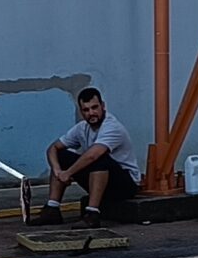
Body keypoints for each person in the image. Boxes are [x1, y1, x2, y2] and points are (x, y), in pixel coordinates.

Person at [42, 86, 135, 226]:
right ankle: (52, 209)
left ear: (103, 106)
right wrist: (57, 170)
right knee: (61, 156)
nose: (91, 113)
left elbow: (93, 155)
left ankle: (92, 214)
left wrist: (68, 173)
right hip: (100, 179)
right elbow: (53, 148)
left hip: (124, 184)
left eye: (94, 108)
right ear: (81, 111)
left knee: (98, 157)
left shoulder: (112, 127)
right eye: (86, 110)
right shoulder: (82, 128)